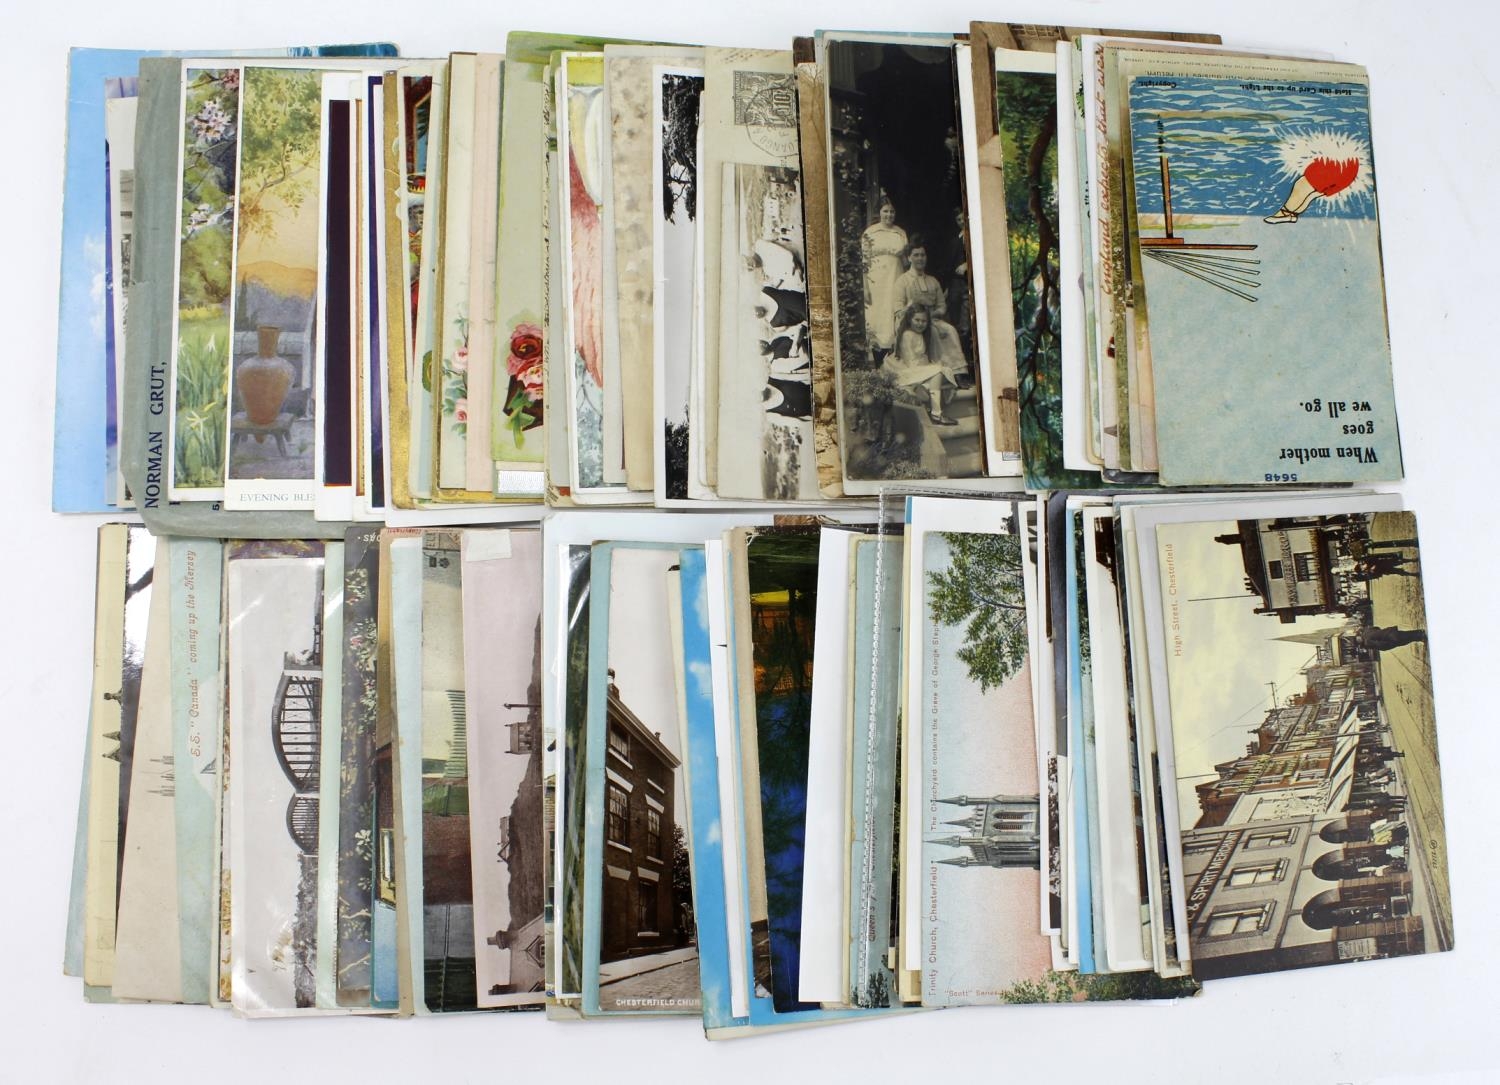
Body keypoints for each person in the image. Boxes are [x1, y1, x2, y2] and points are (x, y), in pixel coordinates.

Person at [892, 237, 970, 380]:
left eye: (923, 255)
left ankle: (957, 372)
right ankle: (939, 371)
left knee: (950, 330)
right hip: (910, 323)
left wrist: (932, 315)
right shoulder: (902, 281)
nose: (920, 258)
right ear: (909, 258)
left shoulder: (933, 281)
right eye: (916, 255)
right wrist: (912, 311)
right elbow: (898, 310)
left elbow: (942, 306)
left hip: (932, 319)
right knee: (932, 331)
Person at [883, 304, 958, 426]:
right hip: (907, 370)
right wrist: (930, 368)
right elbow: (910, 361)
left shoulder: (921, 335)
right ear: (909, 319)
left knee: (944, 371)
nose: (920, 324)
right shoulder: (907, 335)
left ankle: (923, 389)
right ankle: (936, 413)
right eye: (917, 320)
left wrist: (931, 366)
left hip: (917, 368)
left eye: (924, 321)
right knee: (938, 371)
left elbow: (922, 358)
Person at [861, 199, 907, 355]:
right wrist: (865, 287)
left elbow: (906, 261)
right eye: (885, 211)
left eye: (892, 211)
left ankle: (895, 351)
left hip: (896, 275)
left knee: (894, 309)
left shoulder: (900, 233)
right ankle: (877, 354)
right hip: (876, 279)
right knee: (878, 313)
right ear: (879, 212)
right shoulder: (870, 232)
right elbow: (864, 261)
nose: (889, 214)